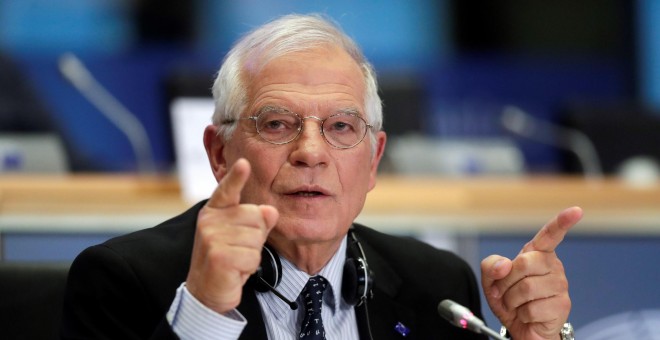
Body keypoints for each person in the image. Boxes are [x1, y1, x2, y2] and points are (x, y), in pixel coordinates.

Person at [61, 14, 580, 340]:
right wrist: (204, 312)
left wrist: (537, 339)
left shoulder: (437, 285)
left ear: (373, 161)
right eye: (278, 124)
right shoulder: (120, 281)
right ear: (219, 153)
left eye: (339, 127)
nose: (311, 152)